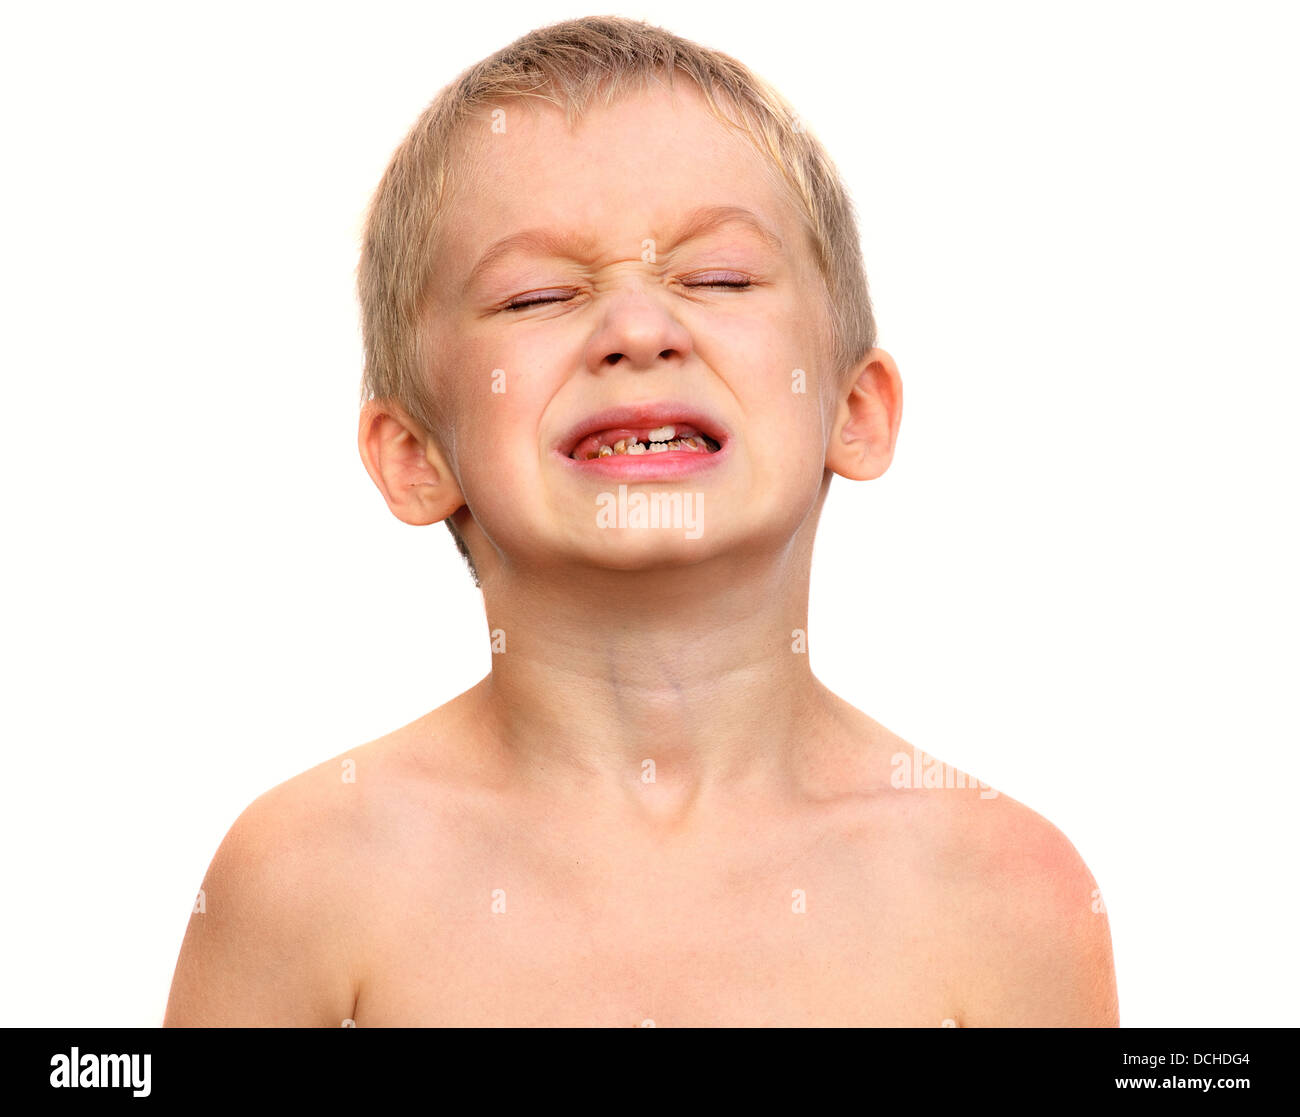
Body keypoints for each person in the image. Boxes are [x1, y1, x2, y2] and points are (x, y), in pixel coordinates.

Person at [164, 15, 1118, 1027]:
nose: (636, 330)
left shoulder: (1005, 893)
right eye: (536, 297)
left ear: (855, 412)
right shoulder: (307, 878)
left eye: (717, 279)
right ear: (414, 458)